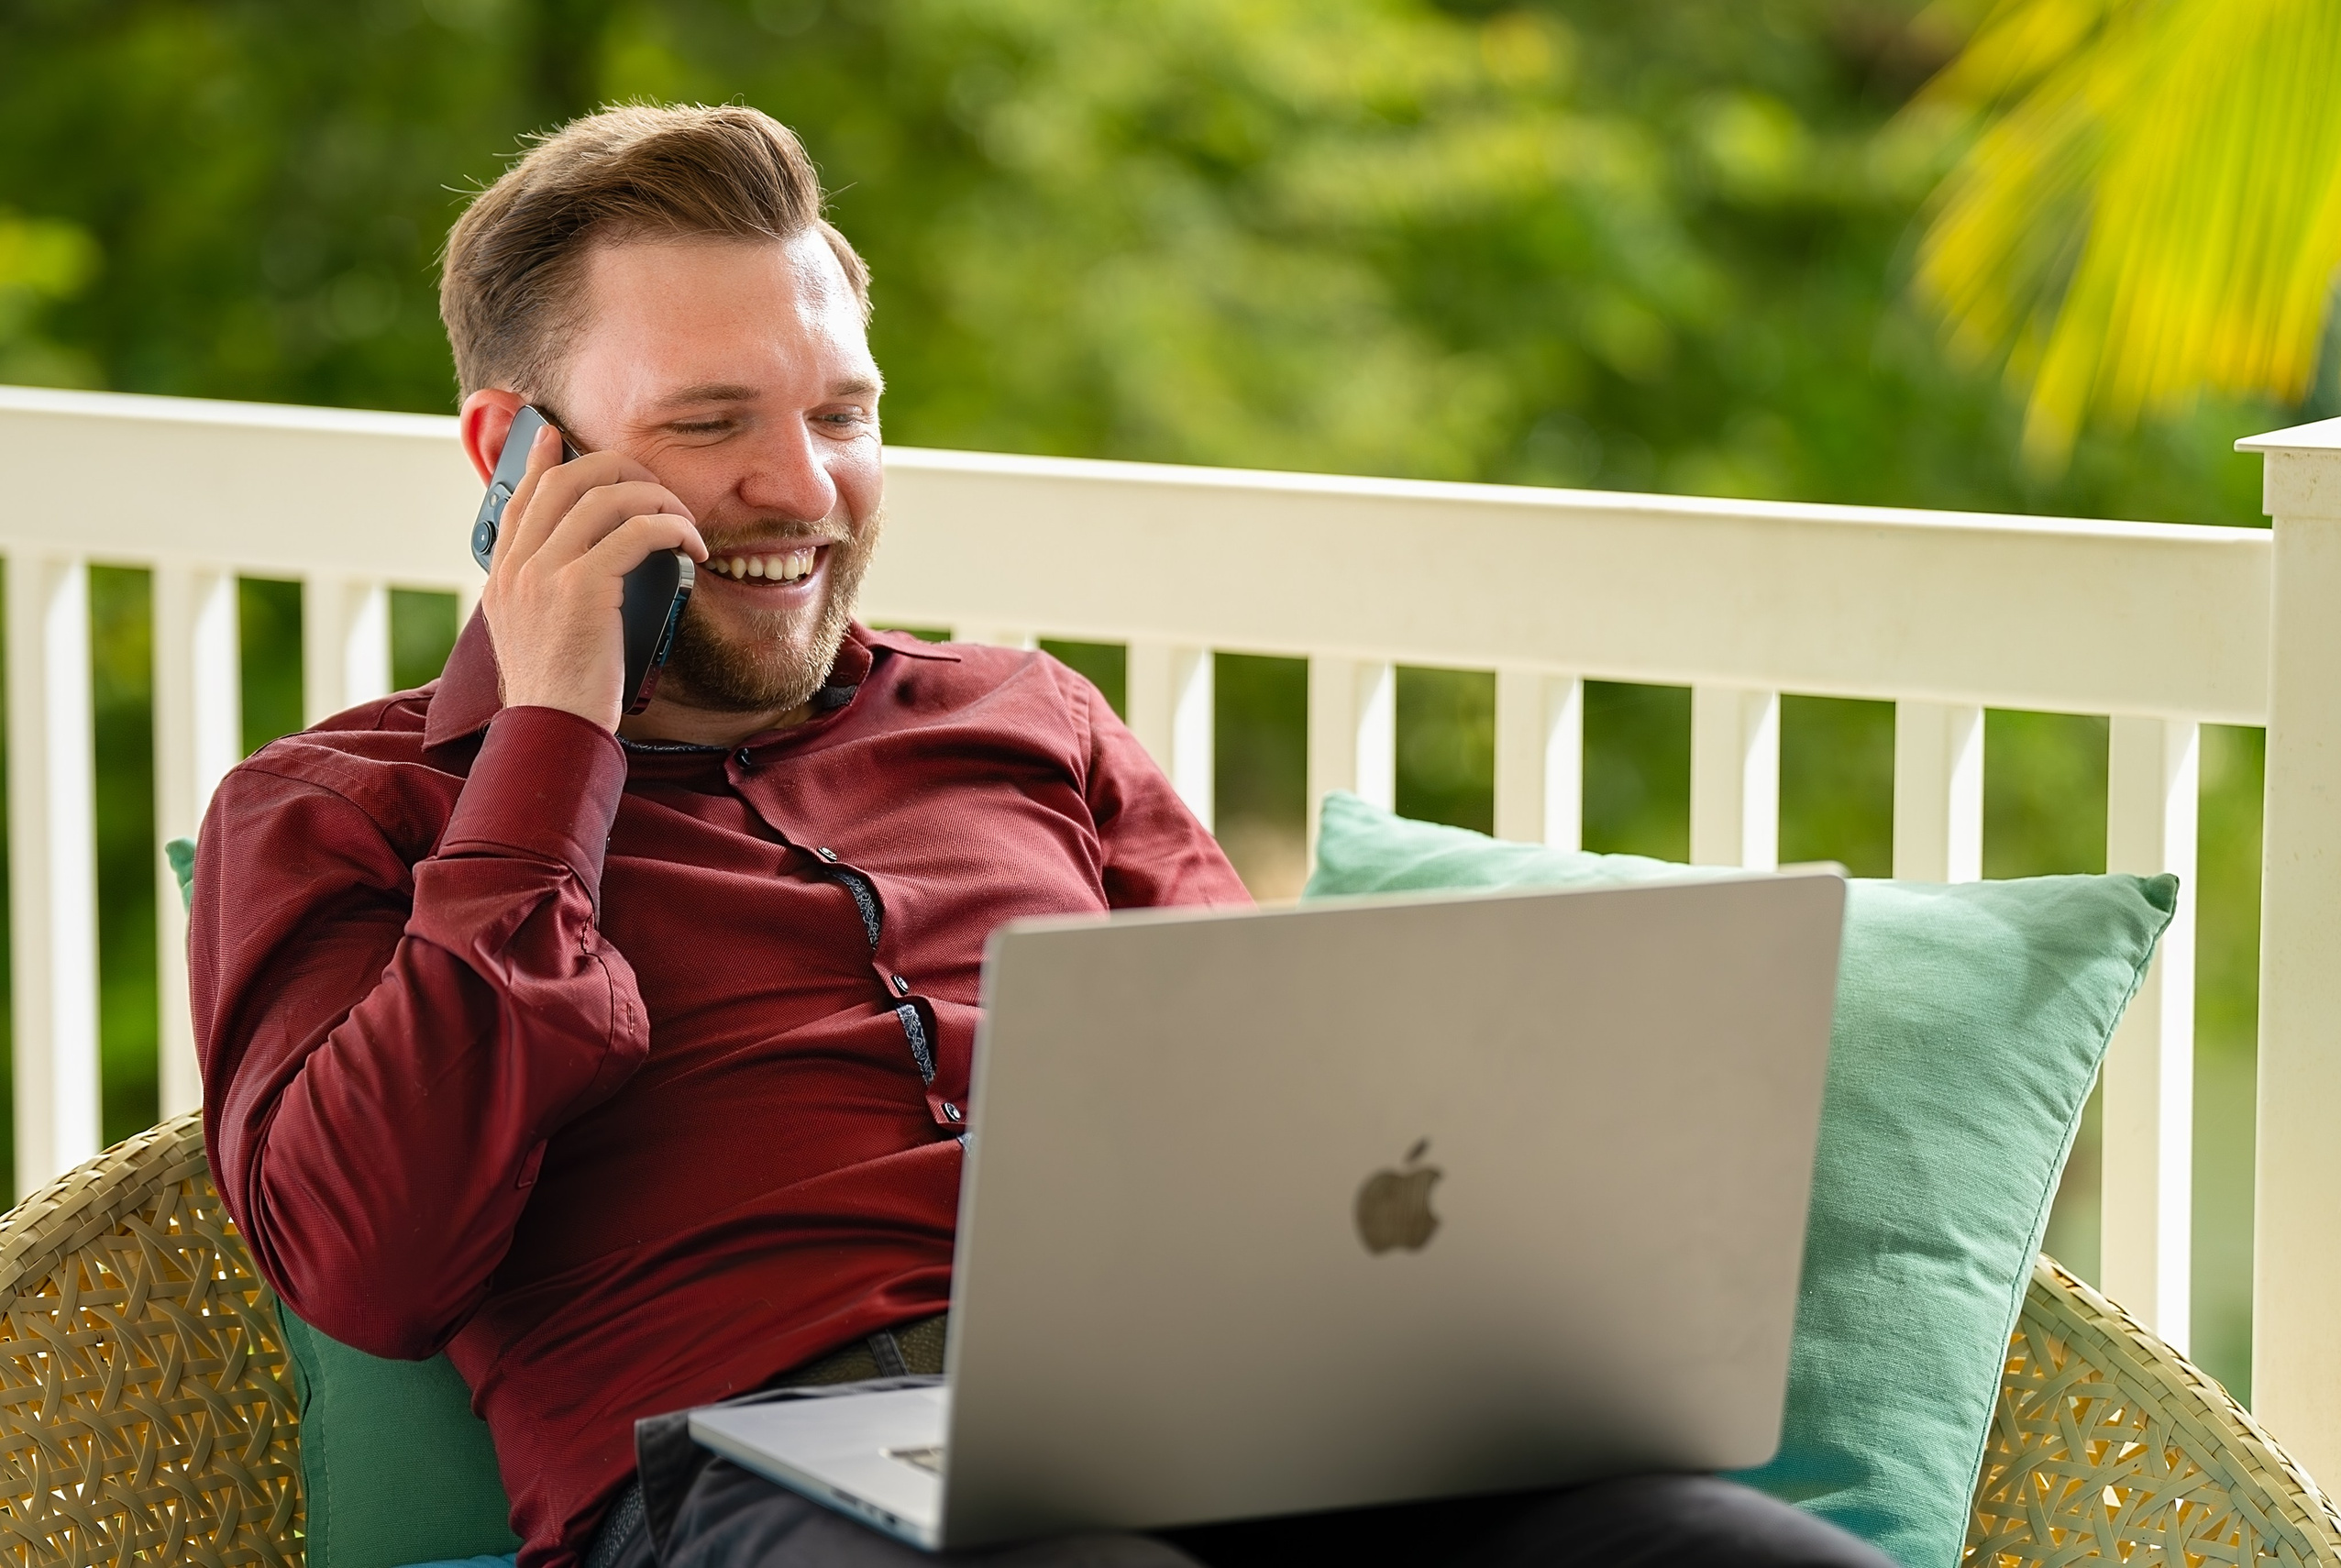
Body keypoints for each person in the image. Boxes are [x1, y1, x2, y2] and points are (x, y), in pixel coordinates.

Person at [189, 104, 1892, 1568]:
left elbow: (1298, 1107)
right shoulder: (347, 813)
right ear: (513, 456)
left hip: (1218, 1401)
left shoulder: (1027, 719)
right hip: (768, 1469)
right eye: (709, 426)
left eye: (842, 415)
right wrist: (553, 737)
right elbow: (371, 1258)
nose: (803, 487)